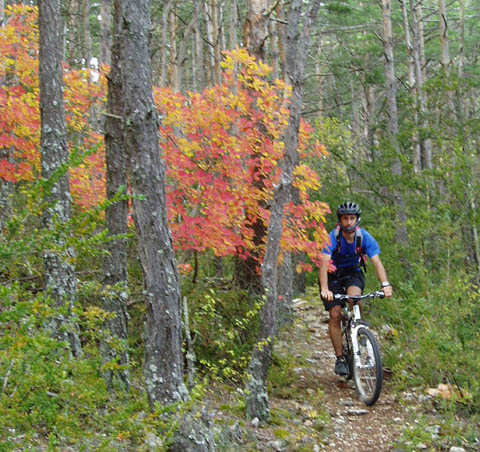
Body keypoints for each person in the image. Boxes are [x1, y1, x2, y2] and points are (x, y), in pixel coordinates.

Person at [319, 201, 392, 376]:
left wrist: (385, 284)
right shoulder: (332, 237)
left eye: (352, 218)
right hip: (332, 274)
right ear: (340, 220)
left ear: (357, 219)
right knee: (335, 314)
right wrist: (324, 288)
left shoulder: (364, 237)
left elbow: (376, 262)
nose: (349, 222)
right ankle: (340, 359)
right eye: (345, 219)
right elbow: (323, 263)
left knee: (355, 299)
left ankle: (359, 329)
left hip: (352, 272)